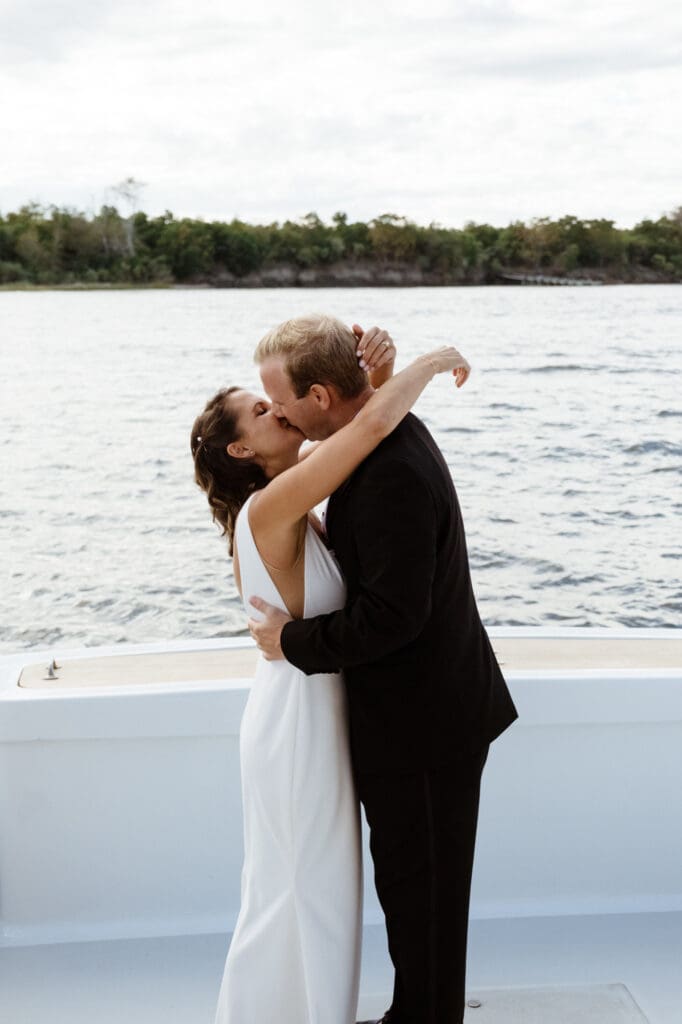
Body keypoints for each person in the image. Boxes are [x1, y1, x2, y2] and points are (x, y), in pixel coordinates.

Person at [190, 316, 471, 1024]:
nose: (275, 410)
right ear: (241, 449)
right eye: (260, 411)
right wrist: (428, 361)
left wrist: (373, 369)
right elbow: (370, 425)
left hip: (317, 711)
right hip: (295, 720)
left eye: (274, 400)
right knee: (295, 887)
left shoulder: (302, 504)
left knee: (315, 886)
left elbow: (360, 421)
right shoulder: (270, 508)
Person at [249, 314, 519, 1024]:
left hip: (427, 724)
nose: (274, 410)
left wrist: (292, 642)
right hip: (426, 715)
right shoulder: (371, 438)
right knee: (413, 891)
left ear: (317, 395)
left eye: (277, 398)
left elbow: (395, 618)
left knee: (423, 896)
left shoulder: (387, 470)